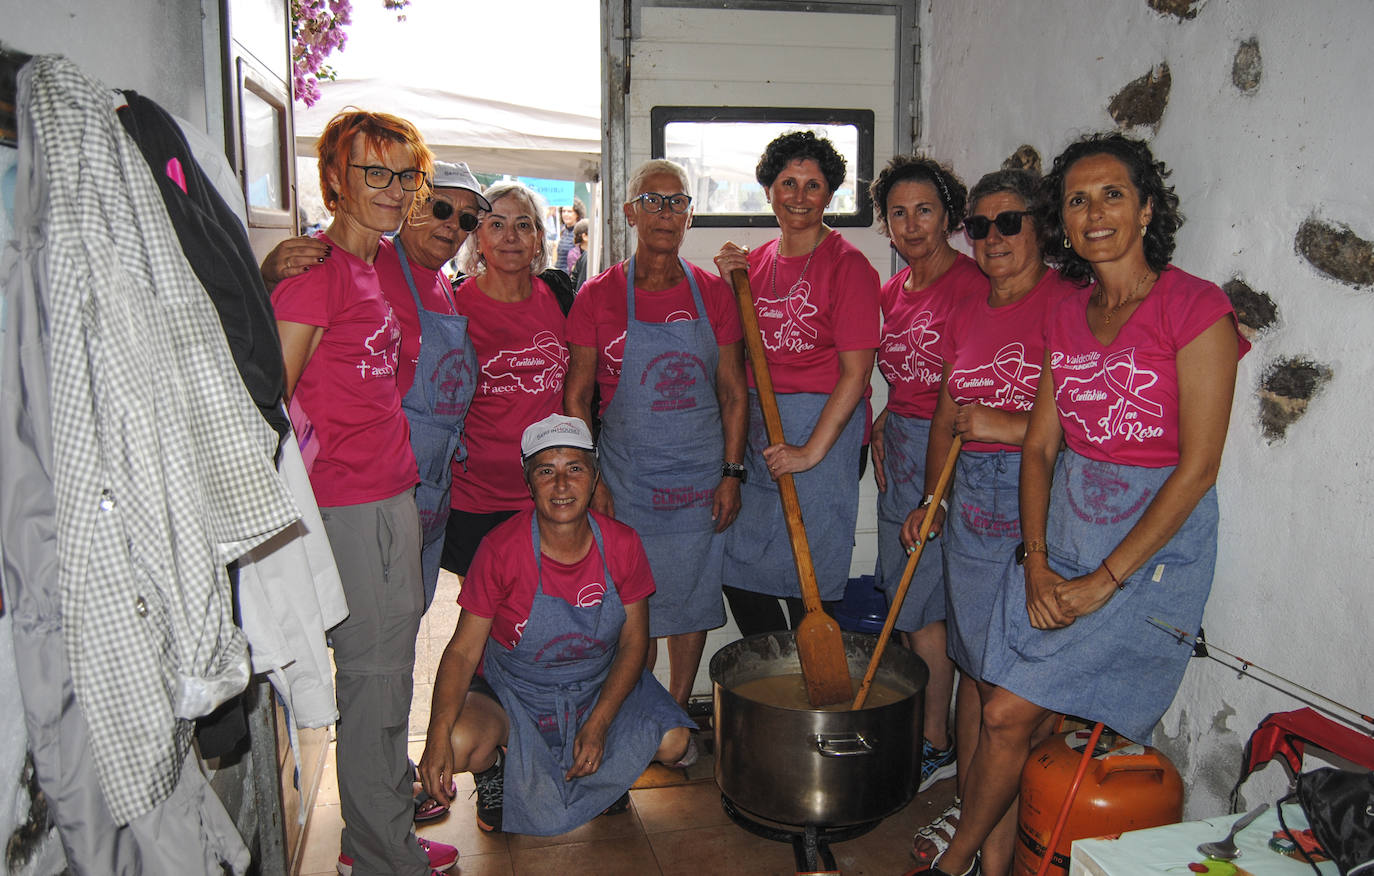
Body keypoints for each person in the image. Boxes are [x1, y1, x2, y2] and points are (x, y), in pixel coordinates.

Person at [914, 136, 1249, 876]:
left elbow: (1196, 471)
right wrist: (1036, 563)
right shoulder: (1068, 315)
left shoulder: (1195, 308)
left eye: (1113, 195)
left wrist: (1105, 580)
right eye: (1077, 199)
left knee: (1004, 715)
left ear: (1147, 207)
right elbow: (1039, 448)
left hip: (1149, 554)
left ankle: (955, 864)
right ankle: (990, 867)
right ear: (1062, 219)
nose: (1094, 212)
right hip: (1063, 532)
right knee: (1012, 716)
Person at [269, 110, 457, 876]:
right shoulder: (314, 271)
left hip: (389, 492)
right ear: (335, 179)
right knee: (376, 680)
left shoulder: (367, 263)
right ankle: (380, 856)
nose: (393, 188)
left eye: (405, 173)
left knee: (386, 672)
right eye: (373, 171)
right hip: (350, 503)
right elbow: (268, 390)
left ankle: (379, 834)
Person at [900, 168, 1074, 875]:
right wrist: (929, 501)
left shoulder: (1069, 303)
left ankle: (983, 844)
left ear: (1040, 227)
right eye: (981, 226)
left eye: (1010, 223)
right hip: (968, 505)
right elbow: (948, 410)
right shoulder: (971, 307)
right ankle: (985, 851)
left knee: (1013, 694)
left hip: (1038, 503)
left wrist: (1006, 424)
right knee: (975, 674)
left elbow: (1087, 422)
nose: (993, 238)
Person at [417, 414, 693, 836]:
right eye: (546, 471)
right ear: (528, 483)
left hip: (594, 687)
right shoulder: (499, 550)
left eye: (575, 469)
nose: (561, 485)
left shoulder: (623, 545)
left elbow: (635, 643)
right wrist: (434, 734)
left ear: (595, 477)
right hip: (515, 694)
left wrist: (599, 723)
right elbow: (462, 651)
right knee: (456, 744)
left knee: (675, 742)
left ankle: (606, 775)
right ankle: (496, 769)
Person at [565, 159, 748, 727]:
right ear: (629, 212)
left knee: (692, 597)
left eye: (676, 202)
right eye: (652, 200)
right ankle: (631, 715)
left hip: (698, 482)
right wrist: (591, 480)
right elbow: (577, 398)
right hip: (626, 479)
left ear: (689, 215)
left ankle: (672, 711)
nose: (665, 212)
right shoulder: (597, 297)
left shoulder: (714, 294)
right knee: (629, 606)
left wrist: (731, 473)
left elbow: (734, 394)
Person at [263, 161, 491, 611]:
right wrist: (270, 272)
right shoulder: (371, 260)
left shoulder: (445, 286)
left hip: (432, 486)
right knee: (373, 635)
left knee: (406, 620)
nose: (452, 225)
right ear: (411, 205)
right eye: (441, 207)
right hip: (372, 486)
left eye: (466, 219)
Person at [712, 130, 880, 635]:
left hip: (824, 429)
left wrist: (810, 451)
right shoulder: (754, 265)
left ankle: (809, 694)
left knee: (810, 571)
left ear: (830, 195)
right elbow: (733, 351)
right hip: (764, 429)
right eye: (789, 183)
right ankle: (780, 669)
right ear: (768, 190)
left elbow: (856, 373)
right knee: (741, 569)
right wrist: (728, 284)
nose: (800, 197)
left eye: (813, 185)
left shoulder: (849, 266)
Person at [868, 155, 983, 798]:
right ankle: (932, 733)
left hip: (954, 457)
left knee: (931, 608)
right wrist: (888, 416)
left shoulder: (970, 286)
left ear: (949, 217)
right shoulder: (895, 291)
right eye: (899, 213)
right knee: (909, 601)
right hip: (904, 450)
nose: (912, 225)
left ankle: (937, 742)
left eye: (925, 211)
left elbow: (964, 385)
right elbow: (909, 376)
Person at [439, 182, 570, 578]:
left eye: (523, 225)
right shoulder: (452, 304)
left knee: (545, 606)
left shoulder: (561, 296)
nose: (510, 237)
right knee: (483, 613)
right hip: (475, 496)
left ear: (537, 241)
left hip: (549, 491)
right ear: (477, 238)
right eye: (496, 224)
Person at [555, 196, 586, 271]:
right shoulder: (563, 231)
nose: (565, 214)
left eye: (569, 211)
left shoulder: (580, 233)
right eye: (563, 211)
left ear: (577, 214)